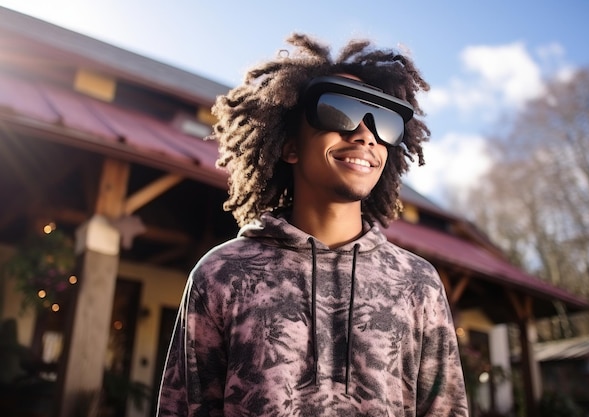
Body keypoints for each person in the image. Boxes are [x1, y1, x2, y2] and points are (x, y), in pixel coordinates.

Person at [157, 33, 468, 417]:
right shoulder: (221, 274)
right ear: (289, 145)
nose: (365, 134)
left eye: (384, 122)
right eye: (339, 112)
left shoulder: (419, 283)